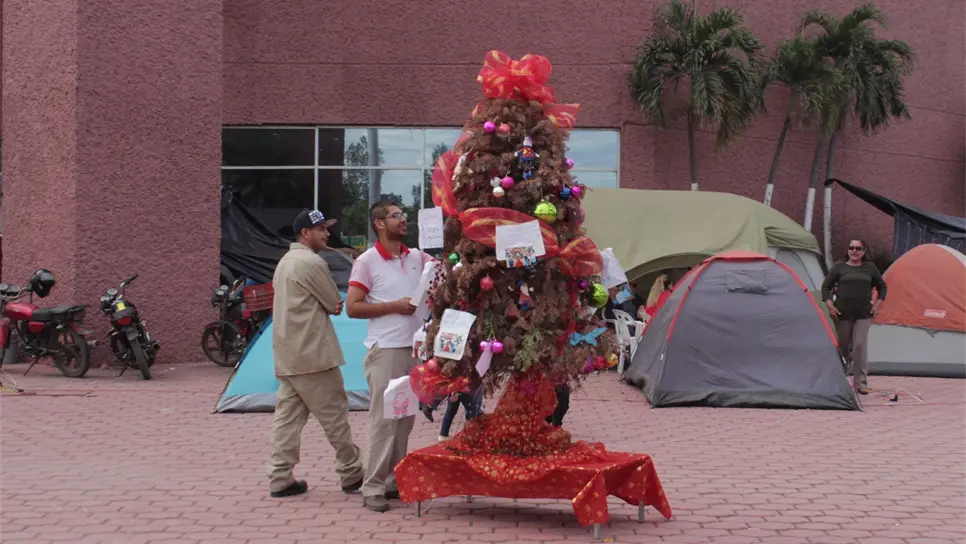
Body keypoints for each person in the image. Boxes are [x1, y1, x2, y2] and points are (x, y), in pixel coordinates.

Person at [267, 209, 365, 498]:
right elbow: (336, 303)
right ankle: (352, 472)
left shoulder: (285, 262)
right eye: (320, 229)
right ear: (305, 234)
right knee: (335, 416)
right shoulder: (312, 262)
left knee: (287, 419)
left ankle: (279, 476)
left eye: (326, 227)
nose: (326, 233)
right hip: (314, 354)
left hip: (287, 353)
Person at [346, 200, 434, 513]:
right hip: (385, 349)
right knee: (384, 421)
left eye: (404, 215)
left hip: (414, 350)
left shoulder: (417, 258)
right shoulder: (367, 261)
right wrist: (393, 306)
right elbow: (352, 307)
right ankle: (372, 487)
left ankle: (394, 482)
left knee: (404, 420)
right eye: (396, 216)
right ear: (379, 223)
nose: (403, 220)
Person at [821, 239, 888, 395]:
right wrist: (830, 306)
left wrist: (877, 305)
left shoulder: (870, 268)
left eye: (858, 248)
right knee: (844, 347)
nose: (854, 251)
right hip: (842, 313)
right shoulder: (840, 267)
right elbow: (826, 286)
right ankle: (839, 380)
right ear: (848, 250)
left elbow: (882, 286)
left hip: (864, 314)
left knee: (858, 345)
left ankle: (861, 383)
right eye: (851, 247)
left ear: (864, 251)